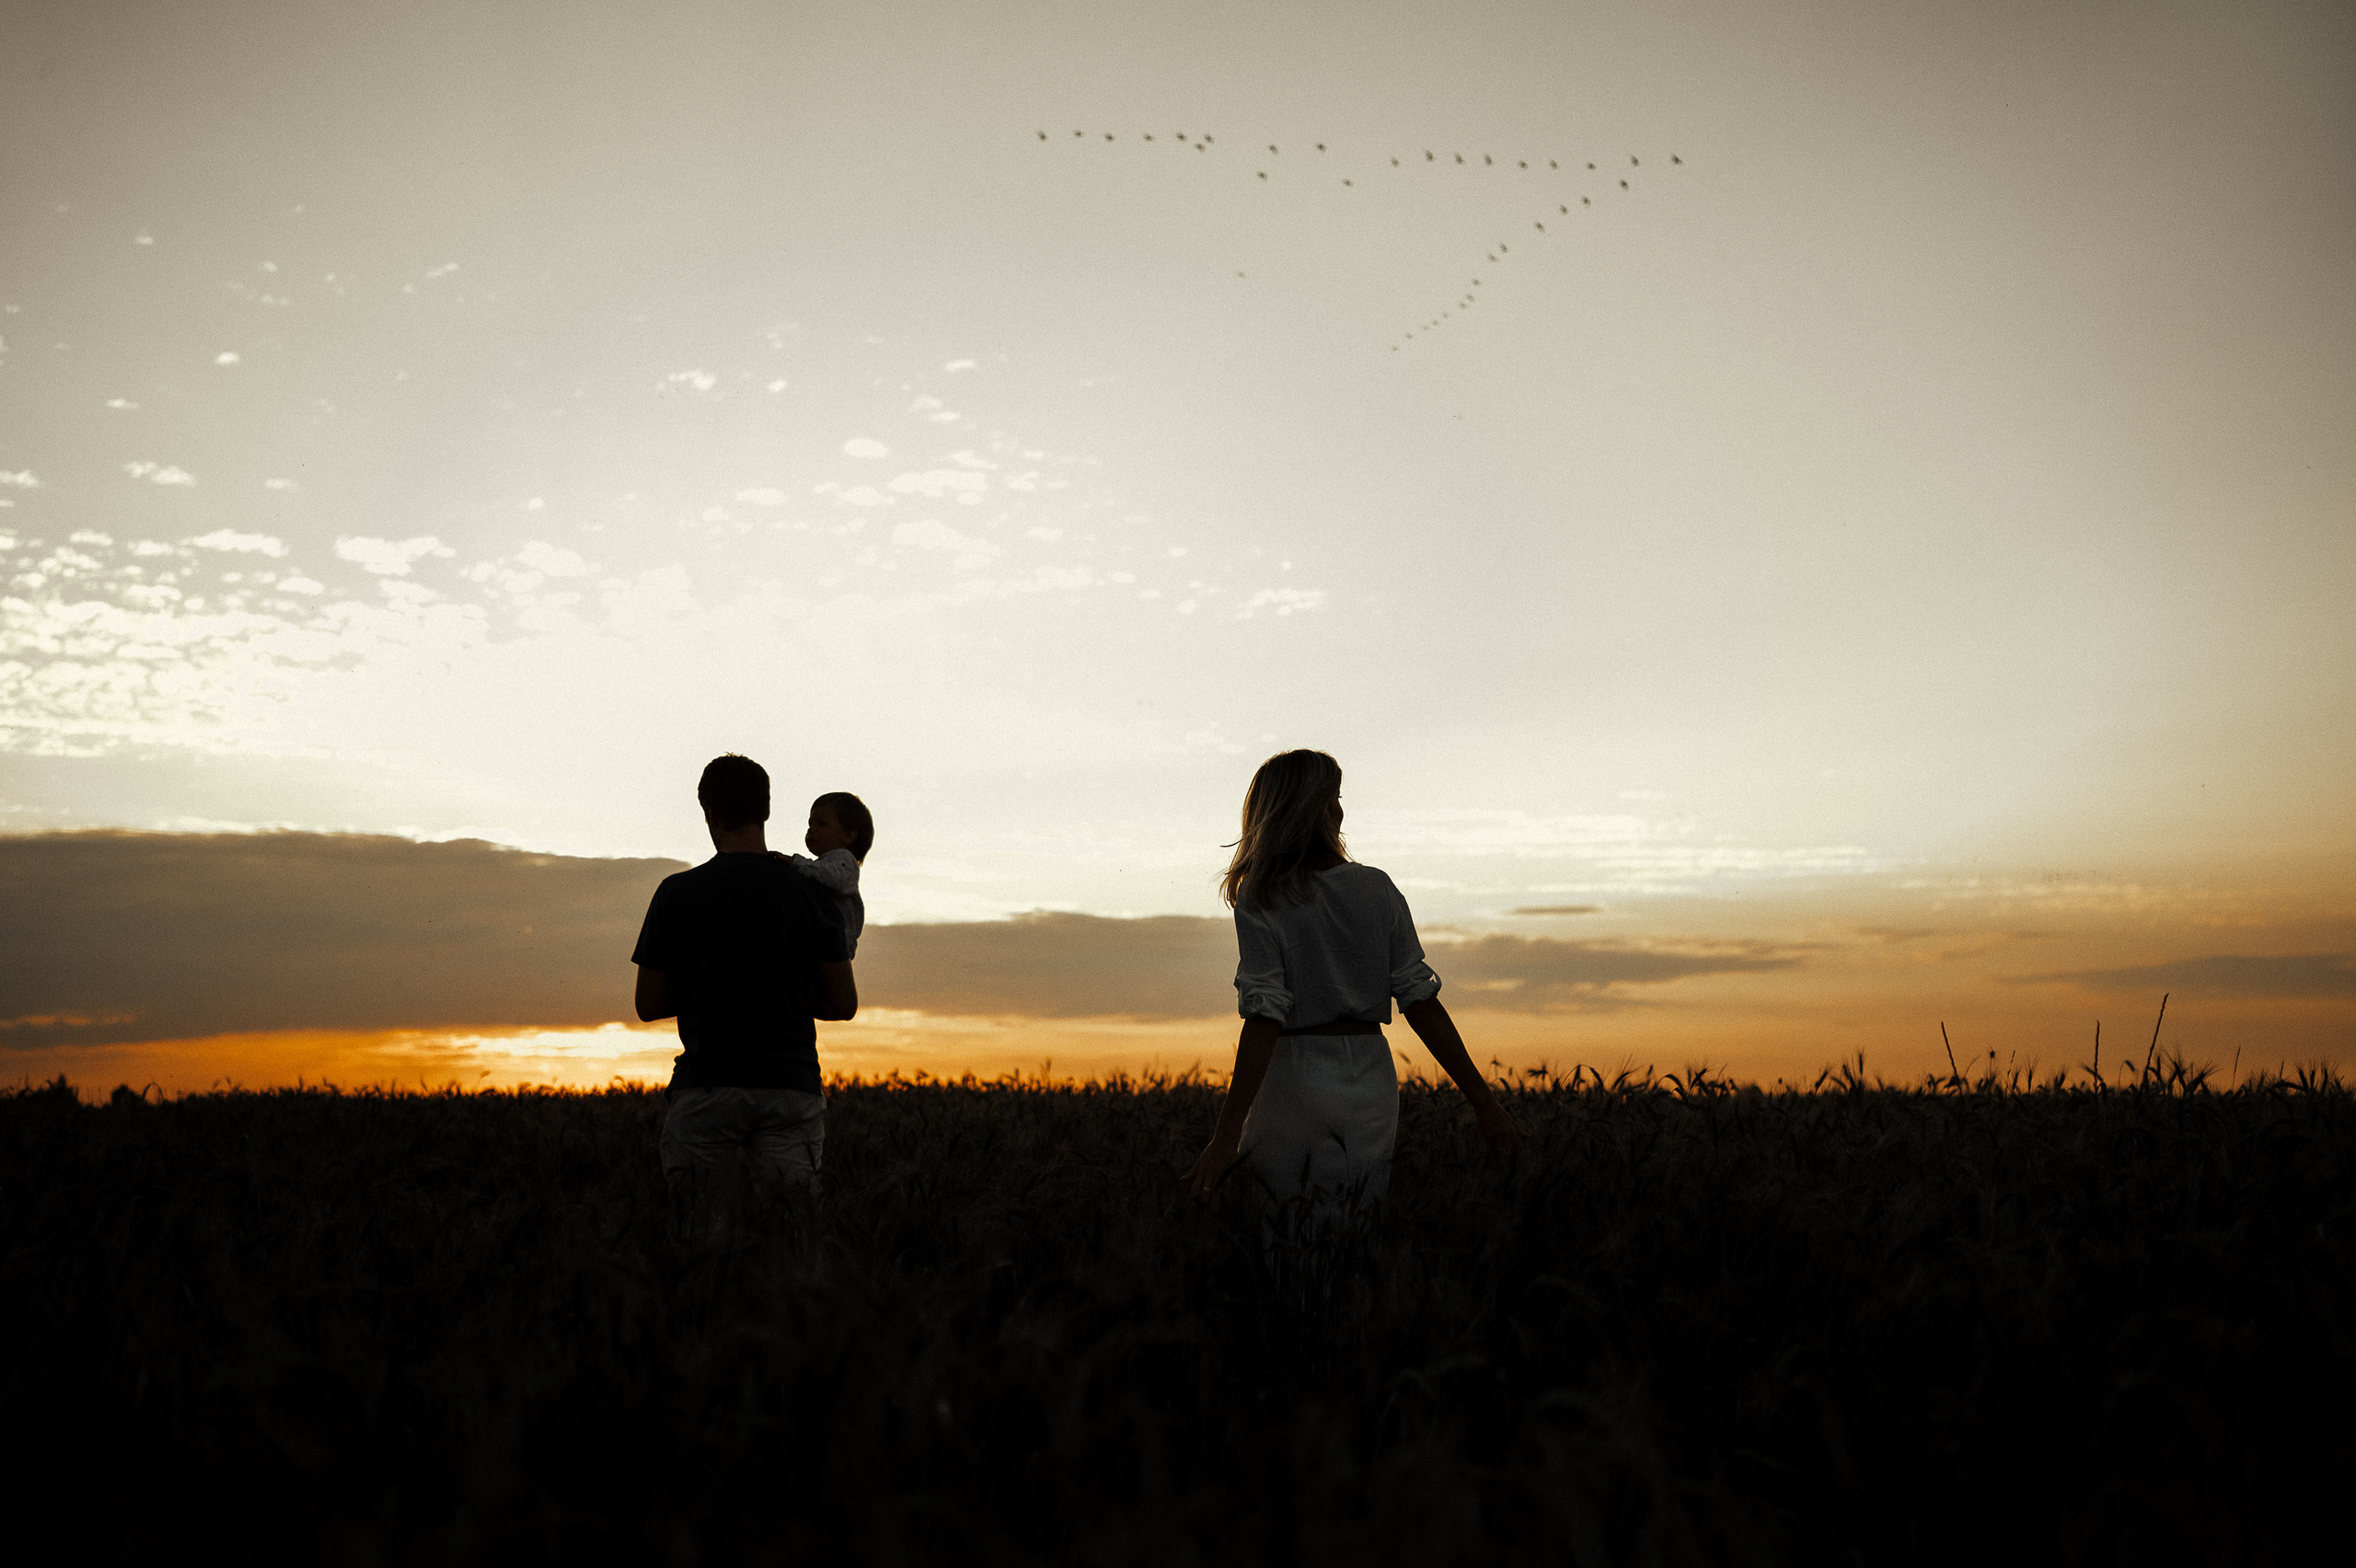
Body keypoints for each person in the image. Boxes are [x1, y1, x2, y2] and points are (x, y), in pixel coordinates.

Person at [1184, 749, 1521, 1225]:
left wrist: (1224, 1138)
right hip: (1370, 1078)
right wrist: (1484, 1103)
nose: (1341, 810)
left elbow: (1264, 1017)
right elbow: (1421, 1002)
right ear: (1317, 809)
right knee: (1356, 1226)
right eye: (1333, 798)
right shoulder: (1377, 888)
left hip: (1294, 1077)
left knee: (1286, 1229)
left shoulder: (1263, 895)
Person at [632, 755, 858, 1216]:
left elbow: (648, 1002)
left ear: (709, 813)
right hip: (790, 1087)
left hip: (707, 1088)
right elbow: (843, 1003)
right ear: (767, 811)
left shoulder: (676, 893)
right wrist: (780, 989)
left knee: (699, 1242)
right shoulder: (812, 893)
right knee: (793, 1241)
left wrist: (710, 986)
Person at [776, 791, 872, 958]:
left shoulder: (844, 860)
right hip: (825, 941)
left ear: (849, 835)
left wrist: (797, 864)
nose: (812, 829)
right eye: (810, 823)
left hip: (835, 945)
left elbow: (836, 879)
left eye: (821, 824)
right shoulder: (823, 864)